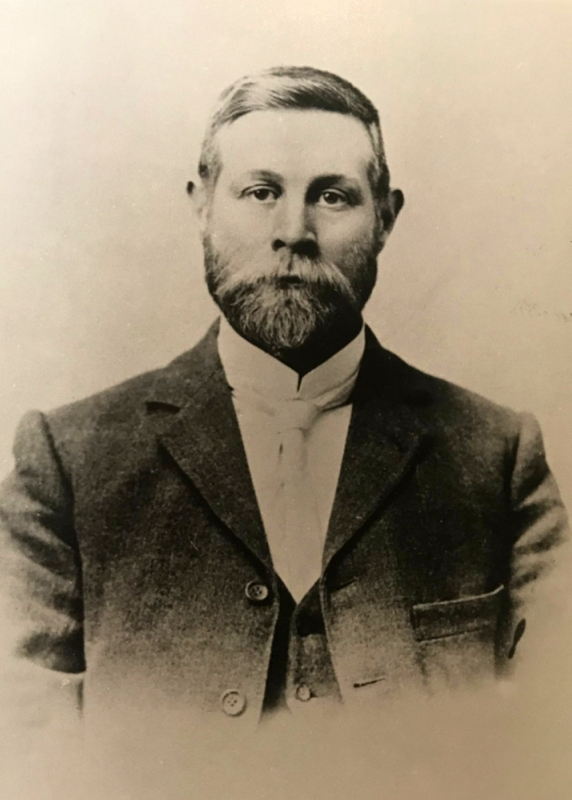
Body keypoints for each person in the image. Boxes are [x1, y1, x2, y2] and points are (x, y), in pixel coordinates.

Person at [0, 66, 568, 735]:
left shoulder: (496, 457)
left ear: (386, 218)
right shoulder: (68, 461)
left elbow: (553, 732)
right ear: (202, 206)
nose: (293, 230)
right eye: (261, 191)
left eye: (332, 197)